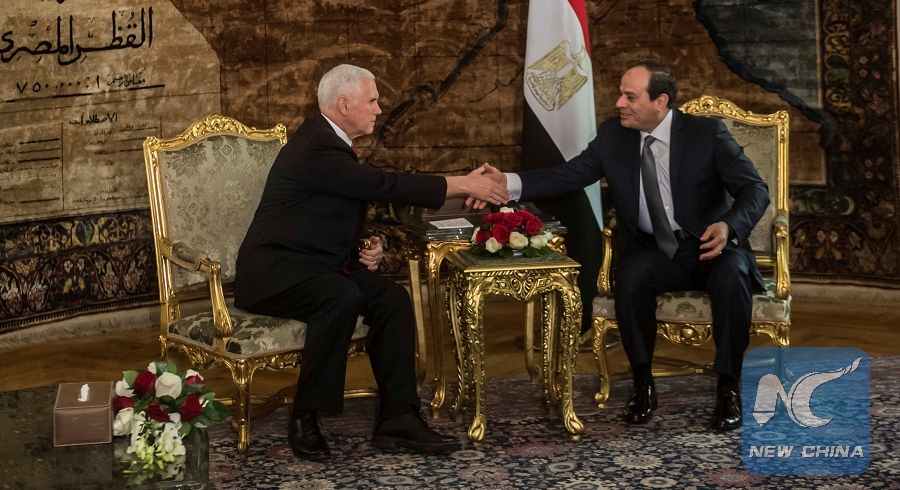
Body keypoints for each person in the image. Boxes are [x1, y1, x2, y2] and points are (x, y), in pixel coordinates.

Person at [233, 64, 509, 460]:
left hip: (312, 267)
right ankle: (306, 416)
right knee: (339, 295)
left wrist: (365, 244)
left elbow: (319, 217)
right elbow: (380, 185)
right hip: (272, 274)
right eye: (373, 101)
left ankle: (399, 418)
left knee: (391, 299)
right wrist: (462, 183)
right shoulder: (316, 145)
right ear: (344, 104)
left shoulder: (328, 142)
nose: (379, 109)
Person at [488, 61, 768, 430]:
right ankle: (642, 384)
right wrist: (508, 183)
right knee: (633, 275)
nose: (619, 103)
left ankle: (728, 385)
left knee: (732, 276)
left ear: (660, 101)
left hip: (709, 247)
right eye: (621, 94)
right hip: (656, 252)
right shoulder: (613, 136)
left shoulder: (706, 134)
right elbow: (569, 175)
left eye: (630, 97)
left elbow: (755, 189)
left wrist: (729, 226)